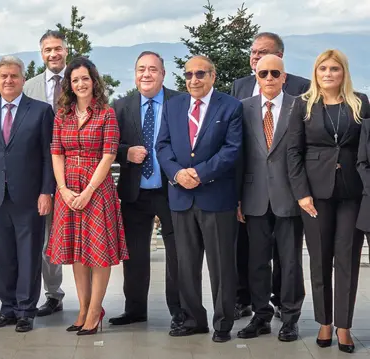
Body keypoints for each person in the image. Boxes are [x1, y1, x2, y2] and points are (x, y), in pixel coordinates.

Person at [287, 49, 370, 354]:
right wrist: (301, 192)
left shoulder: (359, 102)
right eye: (323, 68)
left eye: (334, 69)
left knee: (347, 260)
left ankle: (344, 326)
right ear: (316, 72)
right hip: (315, 195)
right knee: (320, 259)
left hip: (353, 192)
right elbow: (293, 152)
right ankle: (324, 321)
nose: (328, 74)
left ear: (343, 72)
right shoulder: (303, 104)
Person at [156, 55, 243, 343]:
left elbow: (232, 150)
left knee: (222, 266)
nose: (194, 80)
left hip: (216, 198)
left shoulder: (231, 107)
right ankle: (193, 319)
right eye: (189, 75)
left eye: (200, 74)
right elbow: (163, 146)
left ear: (213, 77)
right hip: (181, 197)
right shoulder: (173, 106)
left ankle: (222, 323)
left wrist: (200, 173)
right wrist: (177, 173)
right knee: (186, 264)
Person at [230, 32, 310, 320]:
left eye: (273, 70)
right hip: (253, 196)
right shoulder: (242, 103)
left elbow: (303, 149)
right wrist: (237, 196)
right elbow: (237, 152)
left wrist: (304, 191)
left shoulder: (299, 101)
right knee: (256, 261)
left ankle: (289, 317)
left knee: (289, 262)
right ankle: (259, 315)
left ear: (283, 74)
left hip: (289, 194)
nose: (265, 73)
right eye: (258, 61)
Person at [46, 56, 128, 336]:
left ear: (94, 81)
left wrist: (89, 190)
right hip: (68, 188)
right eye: (75, 79)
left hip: (97, 187)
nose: (81, 84)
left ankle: (95, 310)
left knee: (98, 253)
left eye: (85, 78)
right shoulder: (62, 115)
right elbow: (56, 152)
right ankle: (82, 308)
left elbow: (109, 155)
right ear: (69, 84)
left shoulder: (106, 113)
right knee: (76, 253)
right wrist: (63, 189)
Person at [0, 55, 54, 333]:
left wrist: (47, 191)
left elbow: (47, 156)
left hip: (30, 198)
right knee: (1, 255)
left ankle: (25, 310)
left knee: (29, 256)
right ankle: (6, 308)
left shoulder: (41, 111)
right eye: (3, 76)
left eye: (13, 76)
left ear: (22, 79)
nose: (8, 81)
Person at [110, 51, 183, 329]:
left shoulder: (180, 102)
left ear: (163, 74)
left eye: (153, 69)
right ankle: (135, 310)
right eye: (141, 69)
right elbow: (106, 147)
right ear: (135, 74)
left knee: (177, 254)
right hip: (134, 193)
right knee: (135, 255)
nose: (146, 74)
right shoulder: (121, 106)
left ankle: (178, 310)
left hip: (171, 191)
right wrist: (125, 152)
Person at [22, 29, 67, 316]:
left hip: (75, 171)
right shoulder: (29, 87)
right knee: (46, 238)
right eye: (48, 49)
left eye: (58, 48)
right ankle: (52, 294)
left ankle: (90, 296)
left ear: (66, 50)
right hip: (40, 173)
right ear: (41, 53)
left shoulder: (78, 82)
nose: (53, 54)